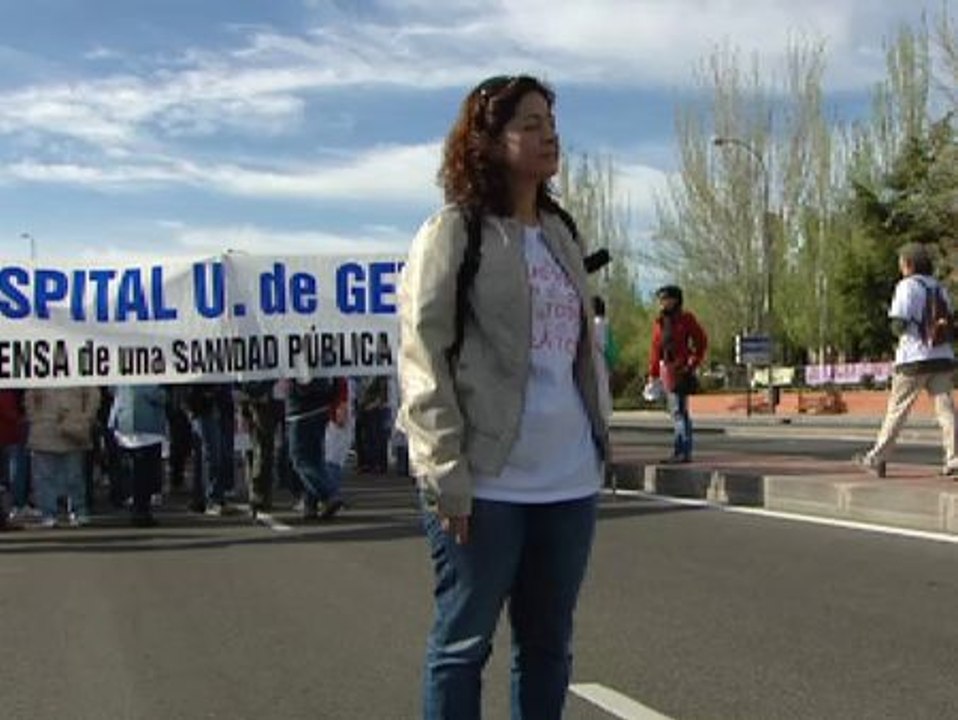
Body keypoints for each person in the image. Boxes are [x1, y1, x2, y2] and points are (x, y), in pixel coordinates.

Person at [397, 74, 608, 719]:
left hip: (568, 477)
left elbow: (580, 352)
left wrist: (600, 437)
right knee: (462, 646)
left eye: (551, 123)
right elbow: (423, 356)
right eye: (529, 124)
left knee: (548, 646)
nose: (549, 136)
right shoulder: (454, 232)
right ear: (487, 142)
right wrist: (443, 470)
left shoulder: (561, 233)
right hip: (486, 479)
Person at [853, 242, 958, 478]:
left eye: (901, 263)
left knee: (898, 410)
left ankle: (878, 458)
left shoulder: (907, 286)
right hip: (941, 356)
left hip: (913, 357)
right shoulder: (939, 287)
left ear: (909, 264)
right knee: (946, 410)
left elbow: (898, 324)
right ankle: (954, 458)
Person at [645, 284, 708, 464]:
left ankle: (683, 451)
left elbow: (701, 341)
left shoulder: (685, 319)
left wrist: (692, 362)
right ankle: (679, 450)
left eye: (665, 298)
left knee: (679, 411)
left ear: (675, 300)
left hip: (680, 369)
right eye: (660, 299)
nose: (662, 302)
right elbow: (655, 349)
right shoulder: (660, 322)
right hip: (666, 369)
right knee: (675, 411)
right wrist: (653, 373)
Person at [25, 387, 99, 528]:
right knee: (46, 477)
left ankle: (77, 510)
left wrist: (86, 418)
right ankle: (49, 513)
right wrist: (35, 418)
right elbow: (30, 397)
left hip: (72, 429)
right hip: (44, 429)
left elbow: (93, 395)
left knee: (74, 477)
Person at [109, 384, 166, 527]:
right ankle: (140, 510)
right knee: (143, 473)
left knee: (136, 472)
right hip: (145, 427)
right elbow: (159, 396)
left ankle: (137, 507)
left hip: (127, 424)